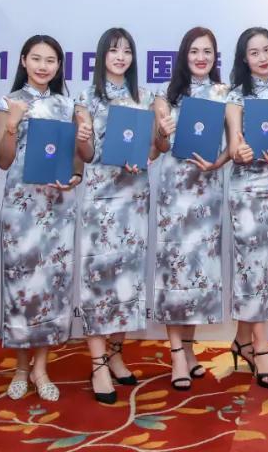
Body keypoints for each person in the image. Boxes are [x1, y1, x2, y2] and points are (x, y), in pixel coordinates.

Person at [0, 34, 82, 402]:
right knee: (21, 288)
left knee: (51, 287)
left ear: (59, 66)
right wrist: (13, 124)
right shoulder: (9, 101)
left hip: (57, 207)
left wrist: (75, 176)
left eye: (51, 60)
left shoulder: (67, 104)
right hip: (21, 206)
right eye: (36, 58)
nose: (43, 66)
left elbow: (76, 157)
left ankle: (42, 368)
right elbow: (3, 159)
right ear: (23, 61)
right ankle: (20, 368)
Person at [74, 28, 156, 403]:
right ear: (101, 56)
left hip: (133, 197)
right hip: (101, 199)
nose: (120, 56)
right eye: (113, 50)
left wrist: (146, 155)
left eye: (126, 51)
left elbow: (153, 148)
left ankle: (116, 354)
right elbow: (88, 155)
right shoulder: (86, 98)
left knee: (127, 280)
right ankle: (97, 364)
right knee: (98, 280)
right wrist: (83, 136)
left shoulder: (145, 97)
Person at [152, 27, 230, 390]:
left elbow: (233, 143)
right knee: (174, 273)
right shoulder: (165, 94)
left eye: (207, 52)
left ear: (215, 57)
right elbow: (158, 147)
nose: (201, 57)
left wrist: (219, 163)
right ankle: (176, 355)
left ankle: (188, 347)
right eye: (194, 51)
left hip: (207, 194)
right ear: (184, 55)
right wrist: (162, 131)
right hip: (175, 195)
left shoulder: (224, 93)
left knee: (198, 273)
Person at [225, 27, 268, 389]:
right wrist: (241, 151)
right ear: (244, 58)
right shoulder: (236, 96)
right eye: (254, 52)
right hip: (246, 190)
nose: (262, 57)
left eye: (267, 50)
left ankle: (241, 339)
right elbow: (234, 145)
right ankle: (260, 346)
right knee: (251, 266)